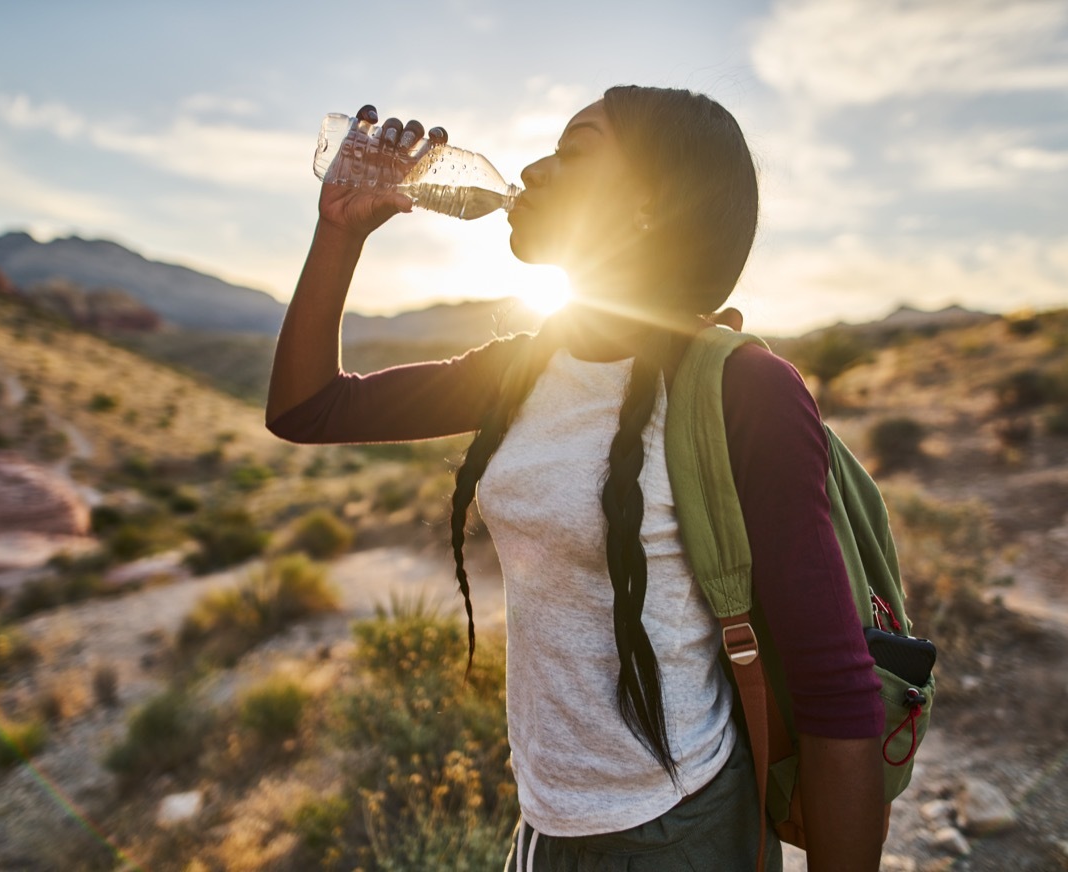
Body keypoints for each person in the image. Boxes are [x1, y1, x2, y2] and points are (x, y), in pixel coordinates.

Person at [266, 87, 886, 872]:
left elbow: (834, 686)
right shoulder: (520, 369)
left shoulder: (743, 389)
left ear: (651, 206)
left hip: (680, 832)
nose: (530, 169)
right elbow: (307, 409)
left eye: (574, 152)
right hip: (544, 828)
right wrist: (339, 236)